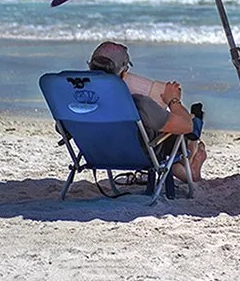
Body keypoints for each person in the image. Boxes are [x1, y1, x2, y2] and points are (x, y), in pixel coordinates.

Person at [88, 41, 206, 183]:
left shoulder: (79, 102)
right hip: (140, 155)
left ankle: (188, 169)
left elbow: (61, 128)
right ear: (124, 73)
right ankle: (190, 161)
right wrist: (173, 100)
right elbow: (187, 126)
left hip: (99, 153)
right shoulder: (138, 104)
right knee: (189, 122)